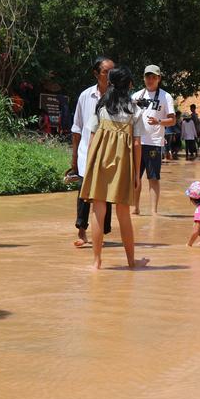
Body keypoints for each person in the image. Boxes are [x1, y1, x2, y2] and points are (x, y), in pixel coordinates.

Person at [79, 67, 149, 270]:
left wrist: (89, 167)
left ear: (110, 83)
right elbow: (137, 145)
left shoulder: (101, 107)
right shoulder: (134, 111)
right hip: (122, 164)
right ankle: (130, 261)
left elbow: (92, 137)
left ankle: (96, 261)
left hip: (99, 161)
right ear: (128, 85)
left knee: (98, 210)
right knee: (123, 213)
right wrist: (137, 174)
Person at [69, 56, 114, 247]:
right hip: (85, 153)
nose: (110, 75)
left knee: (105, 194)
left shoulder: (118, 98)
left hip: (109, 154)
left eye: (113, 71)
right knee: (83, 192)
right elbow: (77, 127)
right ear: (96, 74)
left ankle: (101, 233)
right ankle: (82, 231)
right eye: (106, 72)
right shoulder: (85, 96)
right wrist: (73, 159)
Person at [131, 65, 176, 215]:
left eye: (153, 77)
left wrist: (159, 122)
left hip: (154, 143)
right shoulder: (136, 96)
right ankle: (135, 208)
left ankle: (153, 212)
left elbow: (172, 120)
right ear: (143, 78)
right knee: (135, 177)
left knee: (153, 178)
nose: (150, 80)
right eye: (147, 77)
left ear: (159, 79)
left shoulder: (165, 96)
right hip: (136, 142)